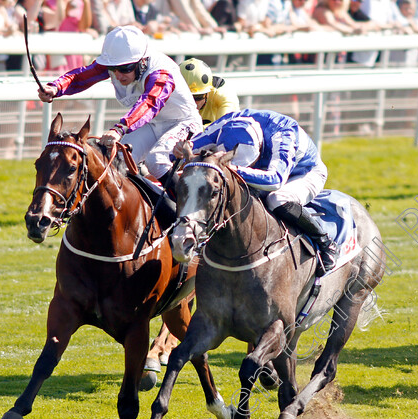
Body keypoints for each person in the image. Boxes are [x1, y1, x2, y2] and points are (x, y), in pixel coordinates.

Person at [38, 25, 202, 184]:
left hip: (183, 123)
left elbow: (149, 103)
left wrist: (119, 128)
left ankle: (181, 207)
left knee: (156, 160)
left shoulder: (161, 73)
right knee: (117, 161)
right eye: (113, 68)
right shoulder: (120, 63)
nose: (118, 75)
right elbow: (82, 76)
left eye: (125, 69)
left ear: (142, 61)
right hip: (151, 125)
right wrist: (56, 87)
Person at [181, 109, 338, 275]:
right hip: (263, 167)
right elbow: (190, 148)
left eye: (250, 164)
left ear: (260, 146)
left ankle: (325, 242)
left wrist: (234, 169)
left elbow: (275, 180)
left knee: (277, 199)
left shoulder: (284, 135)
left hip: (303, 172)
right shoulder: (227, 124)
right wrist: (180, 150)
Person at [178, 57, 240, 125]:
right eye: (186, 97)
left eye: (198, 97)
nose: (193, 103)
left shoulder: (223, 94)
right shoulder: (169, 94)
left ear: (207, 93)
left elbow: (225, 125)